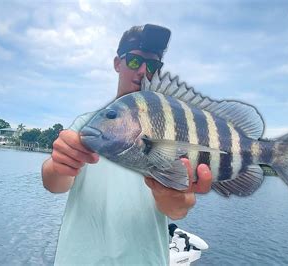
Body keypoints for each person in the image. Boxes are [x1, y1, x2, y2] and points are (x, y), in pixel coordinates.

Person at [41, 24, 213, 265]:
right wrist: (58, 166)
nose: (143, 70)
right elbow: (54, 185)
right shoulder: (88, 125)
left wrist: (175, 200)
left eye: (153, 66)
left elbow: (177, 211)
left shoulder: (174, 129)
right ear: (117, 63)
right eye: (134, 61)